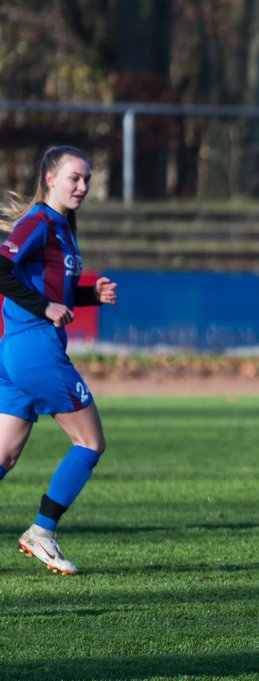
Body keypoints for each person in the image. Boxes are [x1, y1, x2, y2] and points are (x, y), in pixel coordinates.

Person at [0, 145, 118, 575]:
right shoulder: (39, 221)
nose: (83, 186)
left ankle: (43, 532)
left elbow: (57, 294)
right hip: (35, 349)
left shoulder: (63, 228)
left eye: (86, 179)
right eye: (75, 178)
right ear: (50, 179)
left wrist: (90, 296)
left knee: (5, 455)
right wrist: (43, 309)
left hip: (15, 352)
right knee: (90, 443)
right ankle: (42, 532)